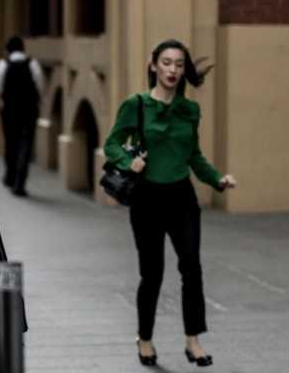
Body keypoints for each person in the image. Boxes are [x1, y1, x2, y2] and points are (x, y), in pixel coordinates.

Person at [104, 39, 237, 368]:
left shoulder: (190, 110)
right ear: (153, 65)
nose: (173, 70)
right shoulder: (135, 105)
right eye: (166, 63)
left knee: (192, 268)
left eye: (179, 64)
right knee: (152, 274)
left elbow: (193, 155)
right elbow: (112, 144)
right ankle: (145, 338)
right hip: (147, 199)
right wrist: (127, 161)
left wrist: (217, 179)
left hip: (182, 197)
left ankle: (193, 341)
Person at [0, 36, 44, 196]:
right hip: (29, 111)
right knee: (25, 145)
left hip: (9, 110)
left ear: (8, 49)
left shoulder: (3, 64)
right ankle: (20, 181)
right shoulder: (32, 64)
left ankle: (10, 175)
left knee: (10, 142)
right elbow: (40, 85)